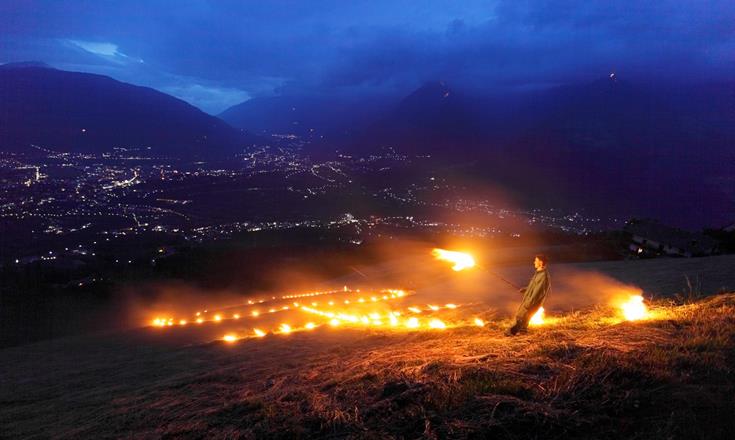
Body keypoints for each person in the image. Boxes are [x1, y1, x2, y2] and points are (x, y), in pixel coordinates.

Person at [505, 254, 551, 336]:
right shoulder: (538, 273)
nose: (534, 262)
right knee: (524, 318)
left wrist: (529, 302)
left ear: (541, 262)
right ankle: (522, 333)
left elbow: (539, 292)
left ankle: (511, 332)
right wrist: (526, 290)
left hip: (532, 301)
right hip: (529, 299)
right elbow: (534, 286)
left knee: (521, 316)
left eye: (536, 261)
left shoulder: (543, 276)